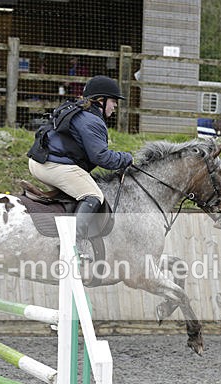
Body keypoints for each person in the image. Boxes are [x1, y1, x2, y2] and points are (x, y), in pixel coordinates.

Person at [27, 75, 133, 257]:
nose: (115, 106)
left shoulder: (78, 111)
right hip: (55, 166)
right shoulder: (92, 120)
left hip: (39, 162)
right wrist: (126, 158)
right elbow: (101, 157)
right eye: (113, 101)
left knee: (76, 194)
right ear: (101, 100)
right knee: (93, 196)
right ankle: (72, 247)